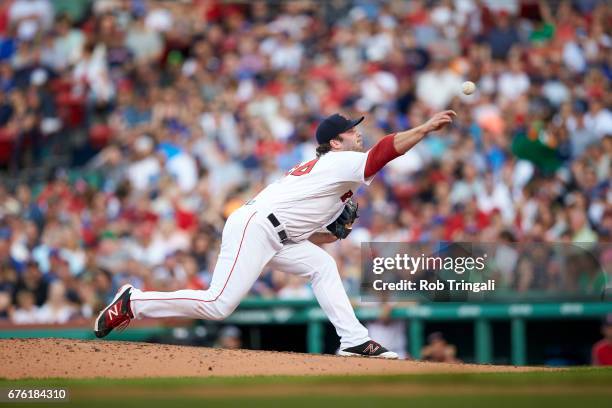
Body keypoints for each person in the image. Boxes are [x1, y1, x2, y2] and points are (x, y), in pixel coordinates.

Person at [94, 110, 456, 358]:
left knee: (322, 267)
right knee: (220, 304)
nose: (357, 131)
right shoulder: (340, 161)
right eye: (351, 130)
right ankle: (134, 302)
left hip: (277, 234)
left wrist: (332, 234)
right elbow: (382, 152)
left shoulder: (337, 175)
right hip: (255, 227)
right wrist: (423, 129)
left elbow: (317, 236)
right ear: (335, 142)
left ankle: (354, 340)